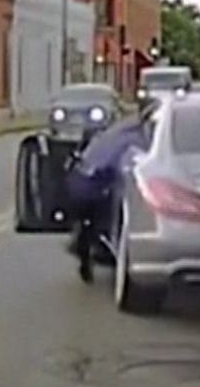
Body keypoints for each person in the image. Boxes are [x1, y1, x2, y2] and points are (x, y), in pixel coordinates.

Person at [65, 102, 154, 282]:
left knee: (87, 220)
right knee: (106, 215)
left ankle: (86, 246)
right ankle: (100, 249)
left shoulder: (118, 130)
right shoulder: (138, 138)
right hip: (100, 185)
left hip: (83, 179)